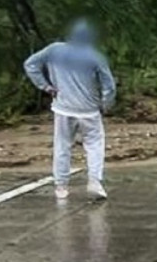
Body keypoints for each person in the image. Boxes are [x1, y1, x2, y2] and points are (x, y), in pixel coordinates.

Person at [24, 19, 117, 201]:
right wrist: (106, 105)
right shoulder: (95, 56)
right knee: (94, 145)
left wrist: (45, 86)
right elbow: (109, 86)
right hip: (89, 110)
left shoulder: (54, 50)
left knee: (62, 146)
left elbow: (30, 64)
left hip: (63, 108)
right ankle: (94, 182)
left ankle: (61, 187)